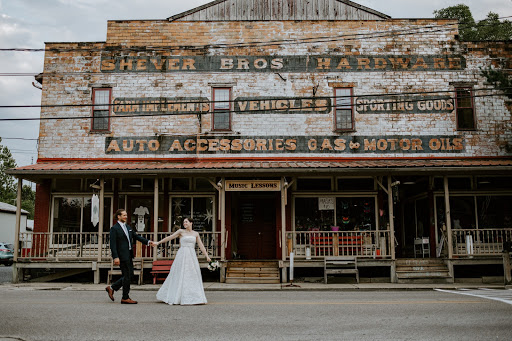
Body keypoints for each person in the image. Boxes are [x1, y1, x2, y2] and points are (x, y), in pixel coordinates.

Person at [155, 217, 211, 305]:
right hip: (182, 254)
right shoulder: (181, 231)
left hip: (191, 255)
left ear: (191, 223)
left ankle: (194, 296)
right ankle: (176, 295)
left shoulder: (195, 234)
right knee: (179, 273)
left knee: (192, 274)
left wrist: (207, 256)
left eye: (186, 222)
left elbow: (201, 245)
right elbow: (170, 237)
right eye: (184, 222)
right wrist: (158, 243)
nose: (184, 223)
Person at [105, 209, 156, 304]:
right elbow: (113, 244)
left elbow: (137, 237)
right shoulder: (114, 229)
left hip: (129, 255)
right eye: (124, 215)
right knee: (128, 275)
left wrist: (148, 242)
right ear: (118, 216)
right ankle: (125, 297)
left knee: (129, 275)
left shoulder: (128, 227)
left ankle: (112, 288)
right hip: (121, 256)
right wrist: (115, 257)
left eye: (126, 215)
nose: (126, 216)